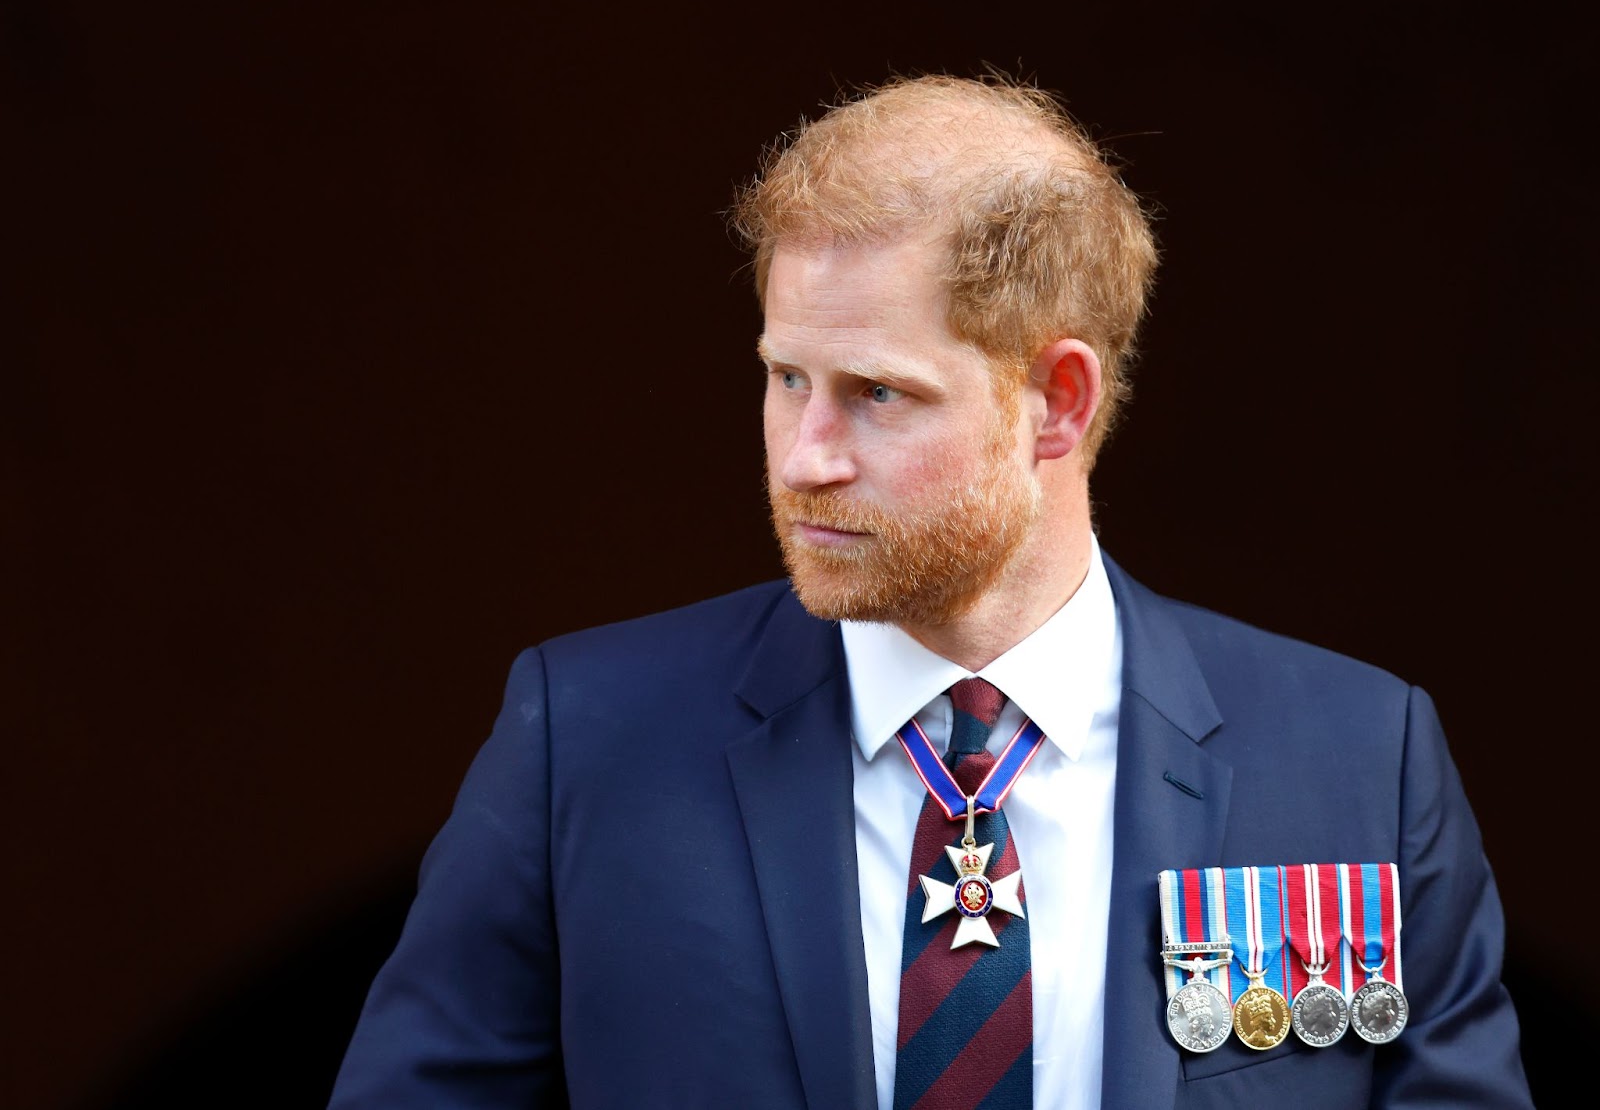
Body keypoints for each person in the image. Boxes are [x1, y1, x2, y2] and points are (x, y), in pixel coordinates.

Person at [327, 73, 1534, 1108]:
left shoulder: (1354, 756)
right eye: (786, 376)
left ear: (1057, 403)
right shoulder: (584, 739)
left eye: (877, 393)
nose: (806, 453)